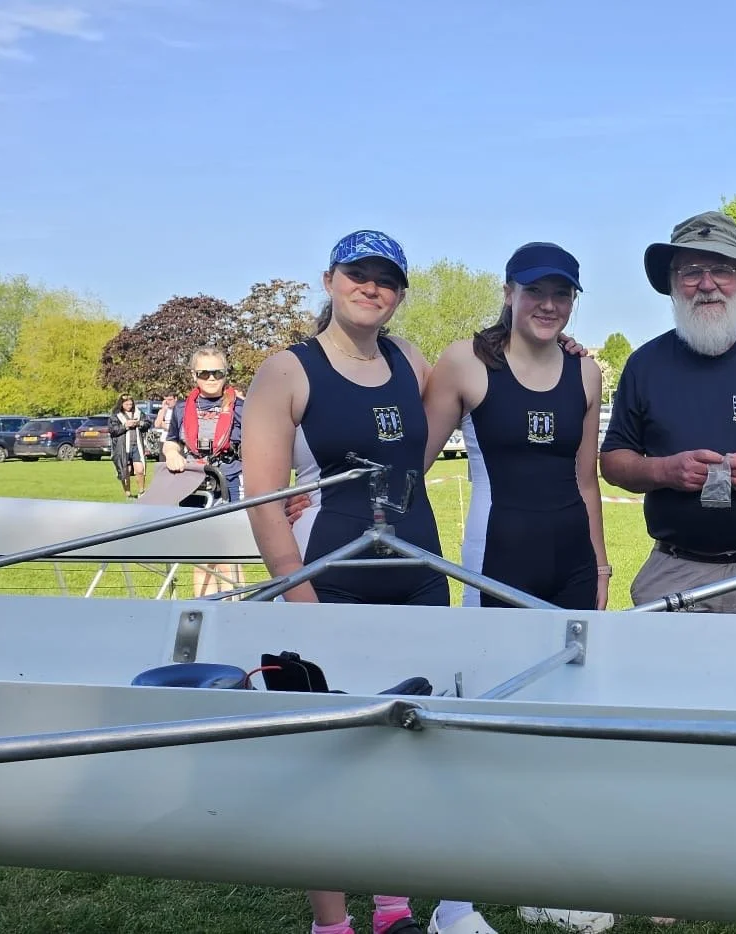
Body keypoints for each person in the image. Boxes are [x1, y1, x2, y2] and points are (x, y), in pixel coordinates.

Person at [239, 229, 454, 934]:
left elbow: (488, 375)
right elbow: (264, 498)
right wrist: (295, 589)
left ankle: (395, 905)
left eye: (386, 279)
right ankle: (331, 922)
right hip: (328, 582)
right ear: (329, 279)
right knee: (326, 757)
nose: (372, 288)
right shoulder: (286, 371)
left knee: (408, 744)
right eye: (358, 274)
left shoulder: (411, 359)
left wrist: (566, 347)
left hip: (420, 577)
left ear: (399, 294)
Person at [600, 211, 736, 614]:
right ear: (673, 283)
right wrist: (666, 472)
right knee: (670, 678)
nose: (707, 284)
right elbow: (613, 462)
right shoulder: (645, 364)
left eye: (722, 269)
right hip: (676, 571)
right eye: (691, 271)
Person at [422, 241, 608, 611]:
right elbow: (412, 461)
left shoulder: (586, 372)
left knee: (575, 666)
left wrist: (601, 567)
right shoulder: (466, 361)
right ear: (509, 294)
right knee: (493, 668)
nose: (549, 305)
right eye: (534, 291)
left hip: (575, 566)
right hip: (494, 559)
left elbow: (586, 481)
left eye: (562, 294)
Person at [165, 347, 246, 596]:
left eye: (217, 373)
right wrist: (171, 453)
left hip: (230, 481)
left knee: (229, 554)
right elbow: (171, 440)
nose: (211, 379)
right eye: (204, 373)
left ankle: (236, 612)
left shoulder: (243, 407)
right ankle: (202, 609)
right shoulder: (180, 409)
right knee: (201, 555)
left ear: (226, 374)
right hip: (194, 483)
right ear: (193, 375)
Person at [109, 394, 148, 498]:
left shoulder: (139, 413)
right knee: (125, 470)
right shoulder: (115, 416)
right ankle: (128, 494)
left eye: (130, 403)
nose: (129, 406)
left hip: (137, 446)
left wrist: (139, 423)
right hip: (122, 447)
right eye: (126, 404)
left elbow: (148, 423)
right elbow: (113, 431)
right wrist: (125, 426)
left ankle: (141, 492)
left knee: (140, 469)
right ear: (121, 404)